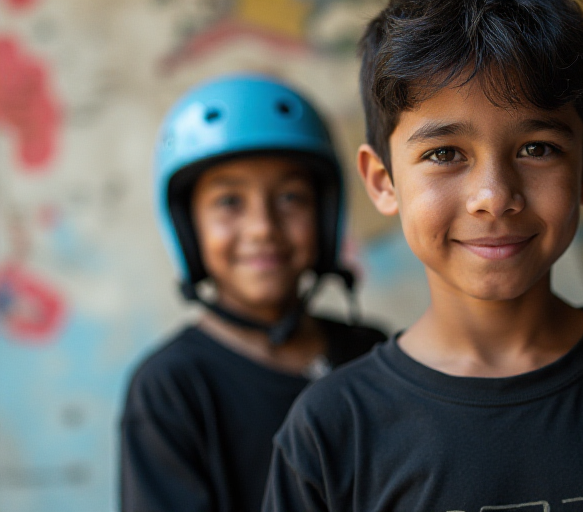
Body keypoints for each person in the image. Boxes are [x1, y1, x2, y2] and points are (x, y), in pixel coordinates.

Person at [263, 0, 583, 510]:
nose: (493, 196)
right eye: (444, 154)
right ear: (383, 182)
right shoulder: (332, 430)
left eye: (537, 148)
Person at [119, 74, 386, 512]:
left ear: (324, 215)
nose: (263, 228)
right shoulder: (171, 388)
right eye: (229, 202)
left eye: (290, 197)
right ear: (189, 228)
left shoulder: (372, 353)